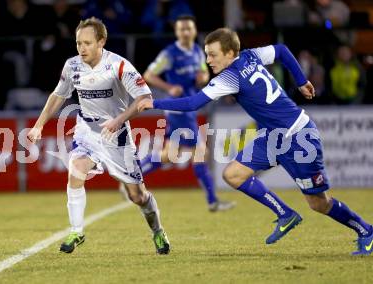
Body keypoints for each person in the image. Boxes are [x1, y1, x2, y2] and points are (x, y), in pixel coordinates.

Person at [137, 27, 373, 255]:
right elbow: (281, 50)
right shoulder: (251, 56)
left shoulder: (229, 77)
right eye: (207, 54)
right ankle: (285, 214)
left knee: (319, 203)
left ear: (230, 53)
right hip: (272, 137)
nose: (208, 60)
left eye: (213, 54)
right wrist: (300, 81)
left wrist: (153, 103)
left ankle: (366, 231)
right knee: (233, 174)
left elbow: (192, 103)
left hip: (298, 137)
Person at [27, 17, 170, 255]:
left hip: (117, 136)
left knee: (137, 195)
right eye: (78, 43)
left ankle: (158, 231)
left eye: (87, 43)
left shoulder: (119, 66)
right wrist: (39, 125)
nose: (81, 48)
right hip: (87, 131)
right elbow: (58, 95)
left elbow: (144, 99)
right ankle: (76, 231)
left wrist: (119, 120)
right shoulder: (72, 66)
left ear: (101, 42)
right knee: (76, 168)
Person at [138, 15, 235, 212]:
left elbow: (204, 74)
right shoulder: (170, 54)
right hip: (177, 108)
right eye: (181, 29)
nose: (185, 32)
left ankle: (132, 174)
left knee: (168, 154)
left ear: (194, 30)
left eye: (188, 29)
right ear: (176, 32)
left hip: (188, 109)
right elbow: (148, 75)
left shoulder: (199, 52)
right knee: (200, 152)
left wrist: (203, 78)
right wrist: (169, 87)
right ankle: (212, 201)